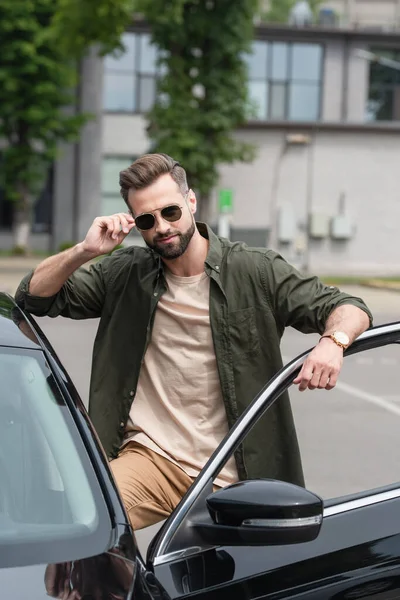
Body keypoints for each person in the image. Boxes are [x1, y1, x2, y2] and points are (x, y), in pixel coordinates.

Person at [15, 153, 372, 531]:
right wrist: (84, 251)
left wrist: (334, 340)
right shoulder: (125, 273)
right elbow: (35, 297)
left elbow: (348, 307)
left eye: (170, 211)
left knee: (211, 578)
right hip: (152, 459)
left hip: (234, 475)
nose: (162, 227)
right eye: (147, 220)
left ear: (191, 202)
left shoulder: (255, 270)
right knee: (81, 521)